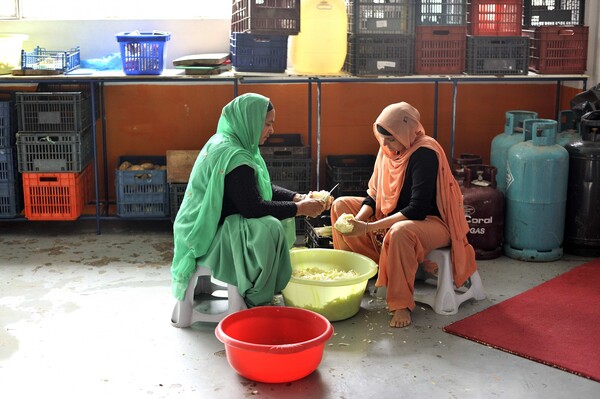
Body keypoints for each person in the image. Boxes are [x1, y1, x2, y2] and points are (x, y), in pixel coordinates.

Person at [171, 93, 327, 307]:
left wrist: (295, 197)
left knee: (271, 220)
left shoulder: (231, 141)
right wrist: (299, 209)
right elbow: (253, 207)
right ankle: (257, 295)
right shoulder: (235, 156)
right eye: (267, 124)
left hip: (203, 221)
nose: (272, 130)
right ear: (250, 121)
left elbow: (255, 189)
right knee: (269, 228)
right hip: (205, 232)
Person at [330, 101, 476, 328]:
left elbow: (417, 209)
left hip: (432, 221)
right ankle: (361, 274)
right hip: (395, 213)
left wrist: (368, 228)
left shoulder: (425, 153)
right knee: (340, 206)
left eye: (391, 139)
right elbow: (374, 197)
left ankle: (401, 305)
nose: (385, 145)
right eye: (382, 139)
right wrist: (358, 220)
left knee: (399, 232)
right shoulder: (388, 151)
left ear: (406, 131)